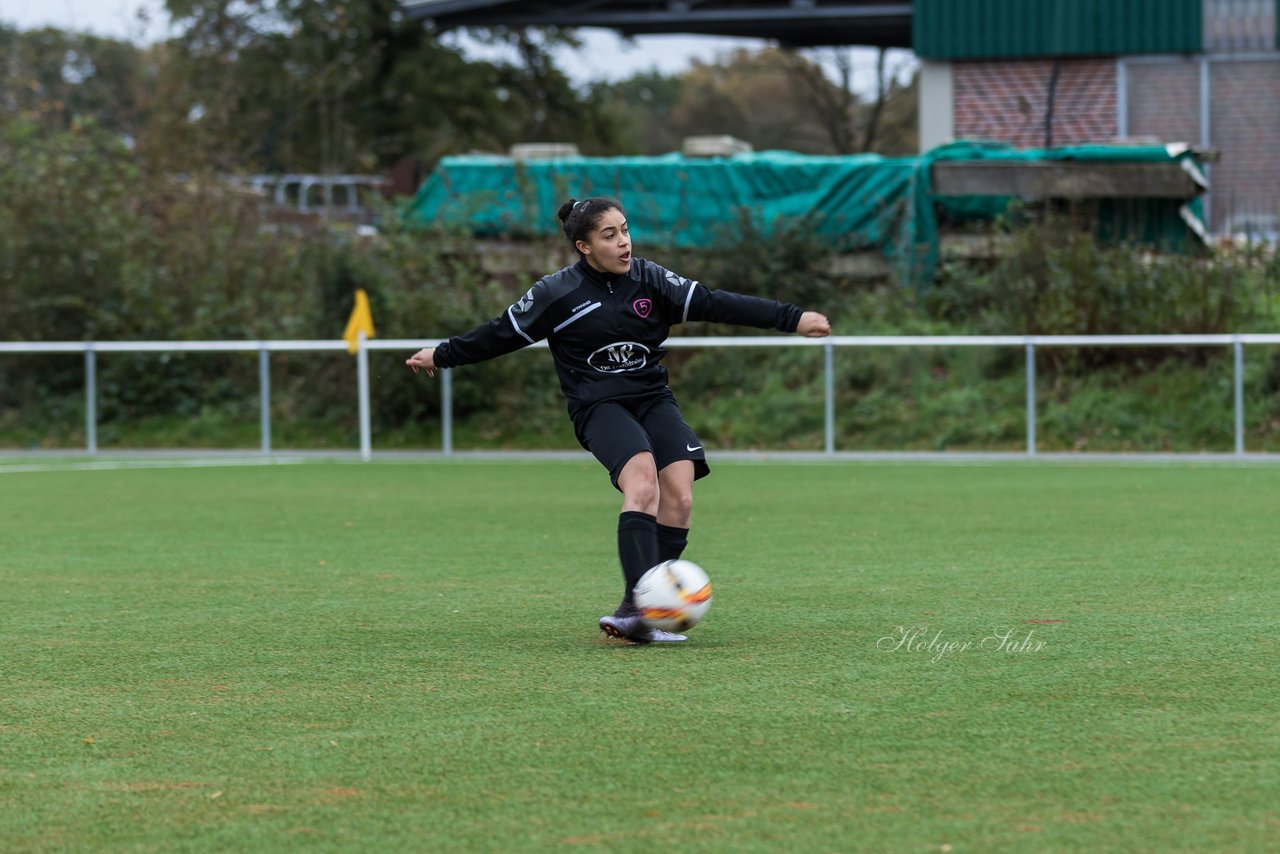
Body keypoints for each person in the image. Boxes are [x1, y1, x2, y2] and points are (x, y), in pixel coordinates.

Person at [407, 197, 830, 644]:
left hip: (652, 398)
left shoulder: (651, 280)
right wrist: (444, 353)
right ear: (583, 246)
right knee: (642, 481)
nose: (624, 242)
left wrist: (793, 318)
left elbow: (716, 303)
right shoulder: (556, 293)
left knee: (680, 496)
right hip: (598, 406)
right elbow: (500, 334)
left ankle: (654, 610)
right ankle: (636, 605)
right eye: (609, 235)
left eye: (625, 230)